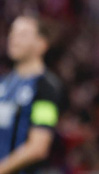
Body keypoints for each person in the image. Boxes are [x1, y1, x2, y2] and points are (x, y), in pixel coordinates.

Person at [0, 16, 62, 174]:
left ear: (42, 44)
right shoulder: (3, 84)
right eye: (12, 33)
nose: (14, 39)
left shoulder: (46, 88)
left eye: (23, 34)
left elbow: (38, 147)